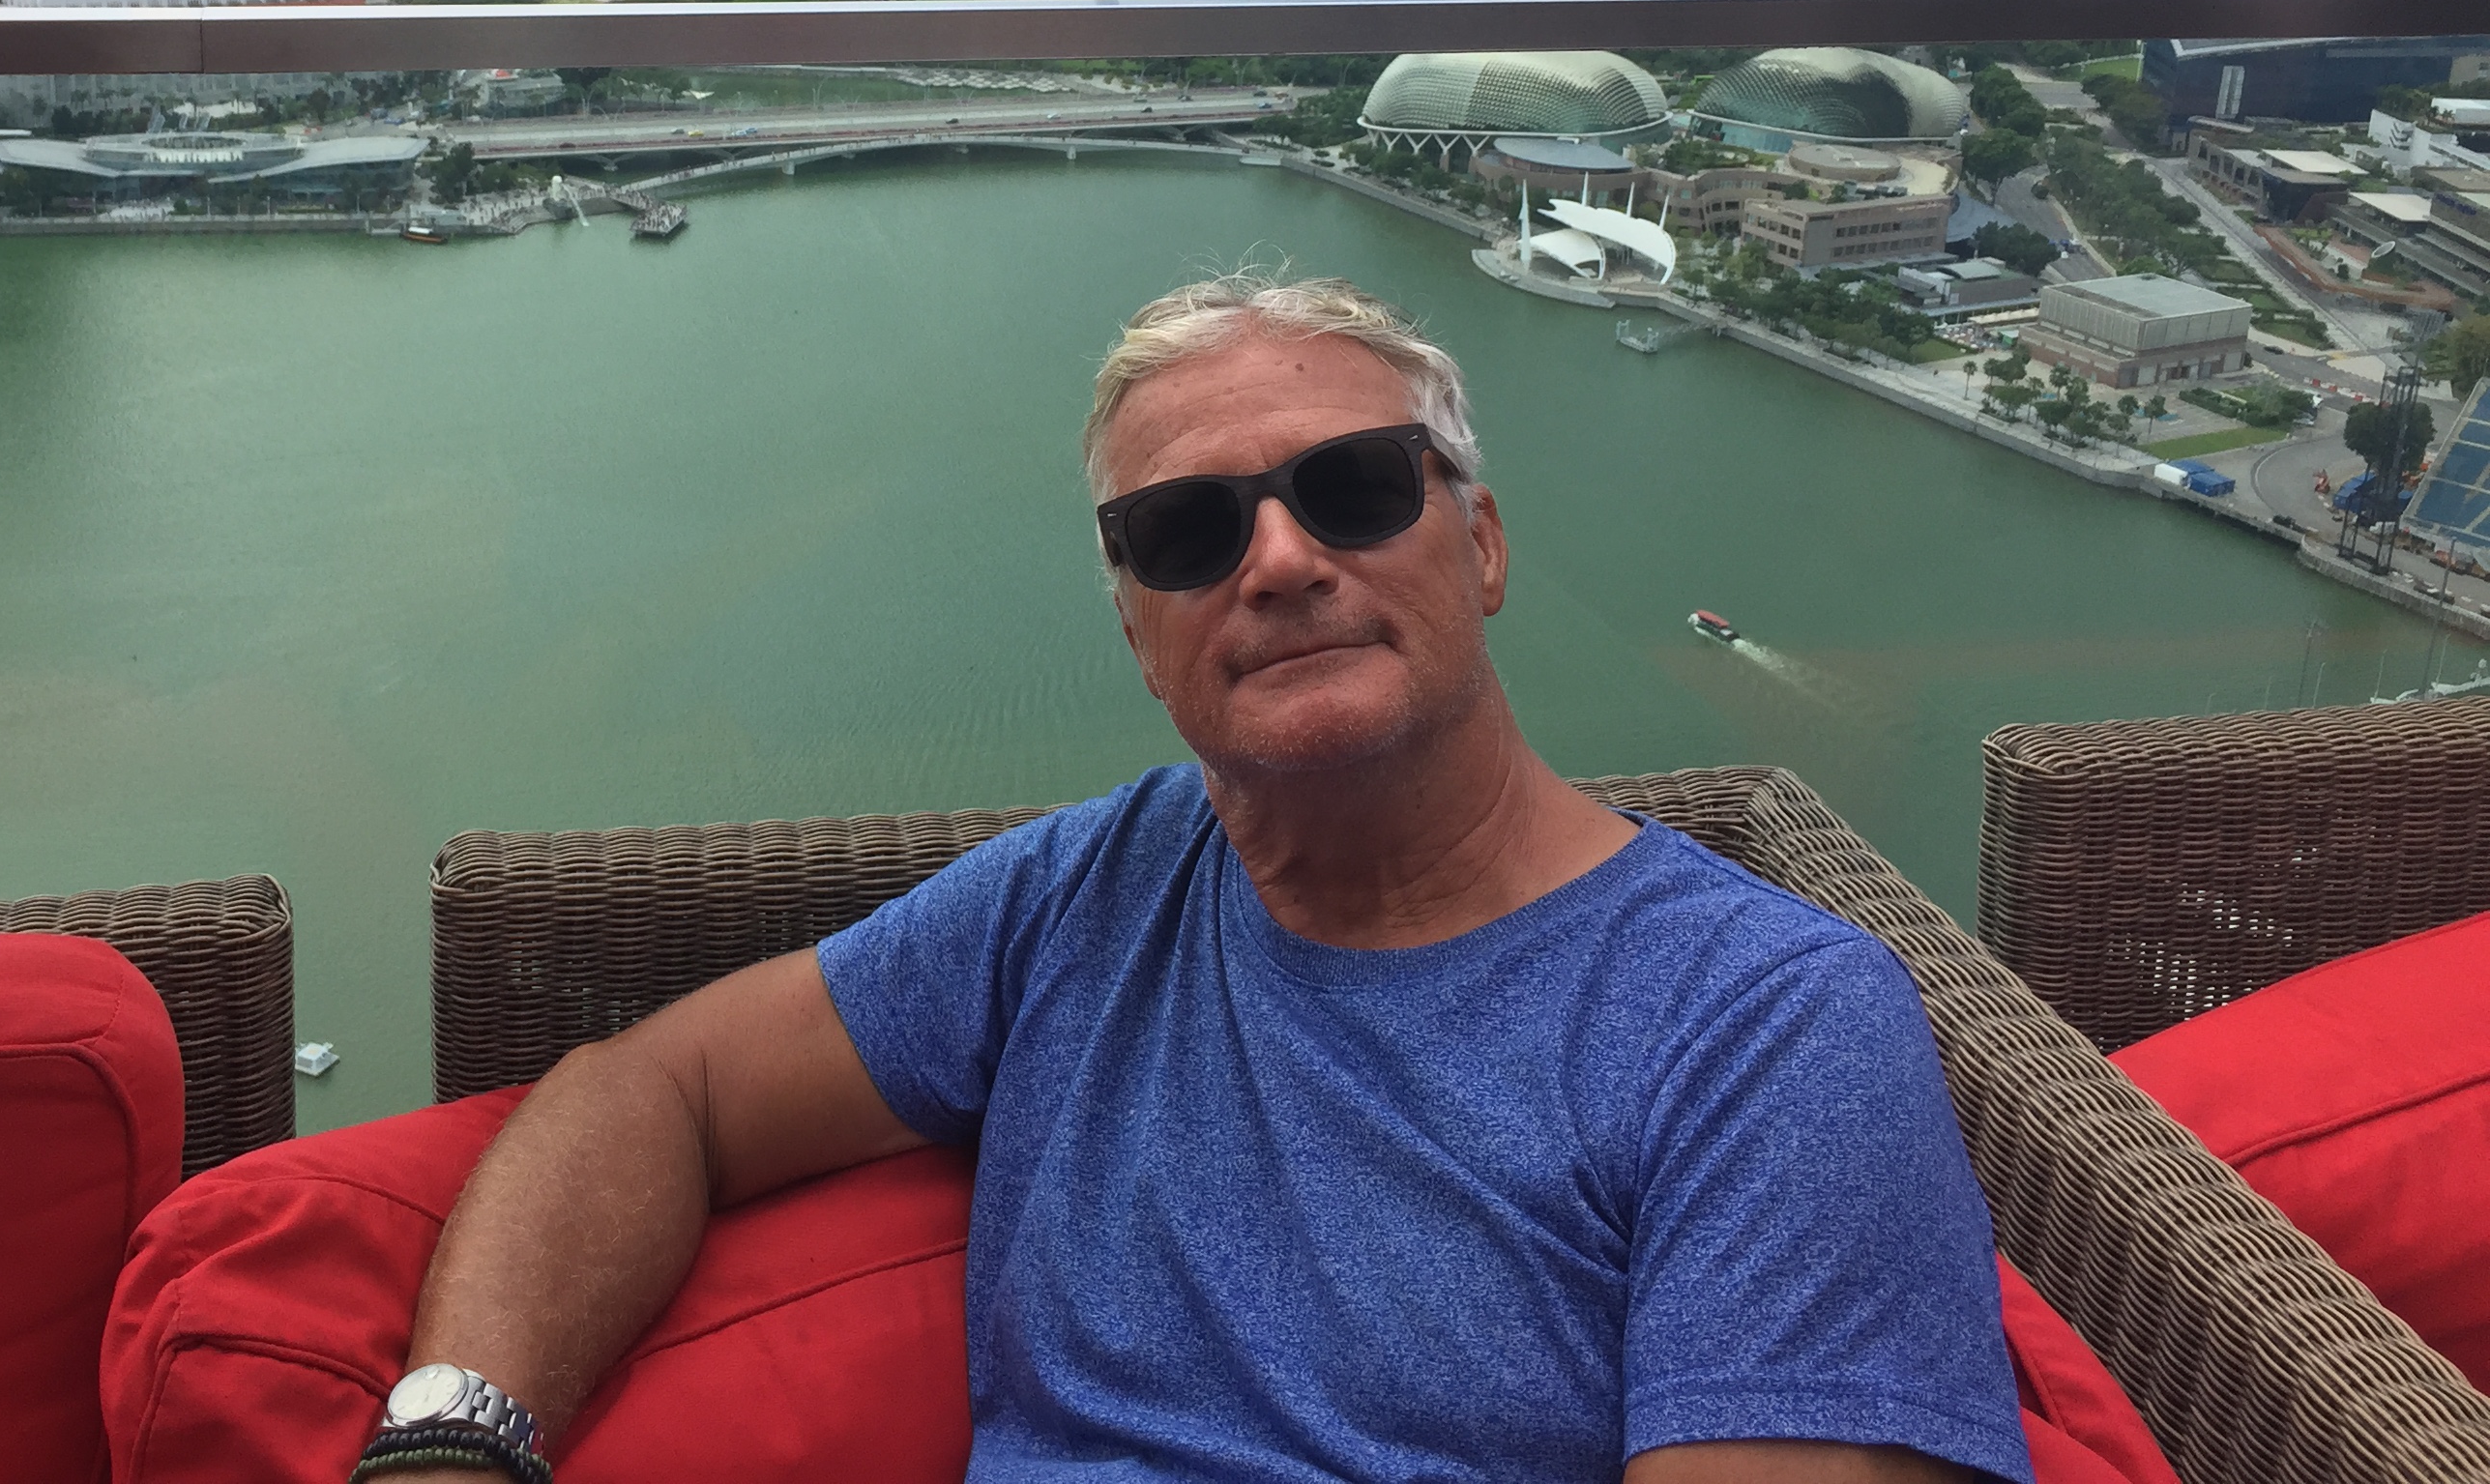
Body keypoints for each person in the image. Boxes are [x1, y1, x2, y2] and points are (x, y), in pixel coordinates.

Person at [358, 275, 2031, 1484]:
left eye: (1354, 489)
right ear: (1137, 633)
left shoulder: (1764, 1027)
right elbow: (656, 1090)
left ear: (1482, 544)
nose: (1282, 561)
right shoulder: (1084, 897)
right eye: (1188, 533)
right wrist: (452, 1442)